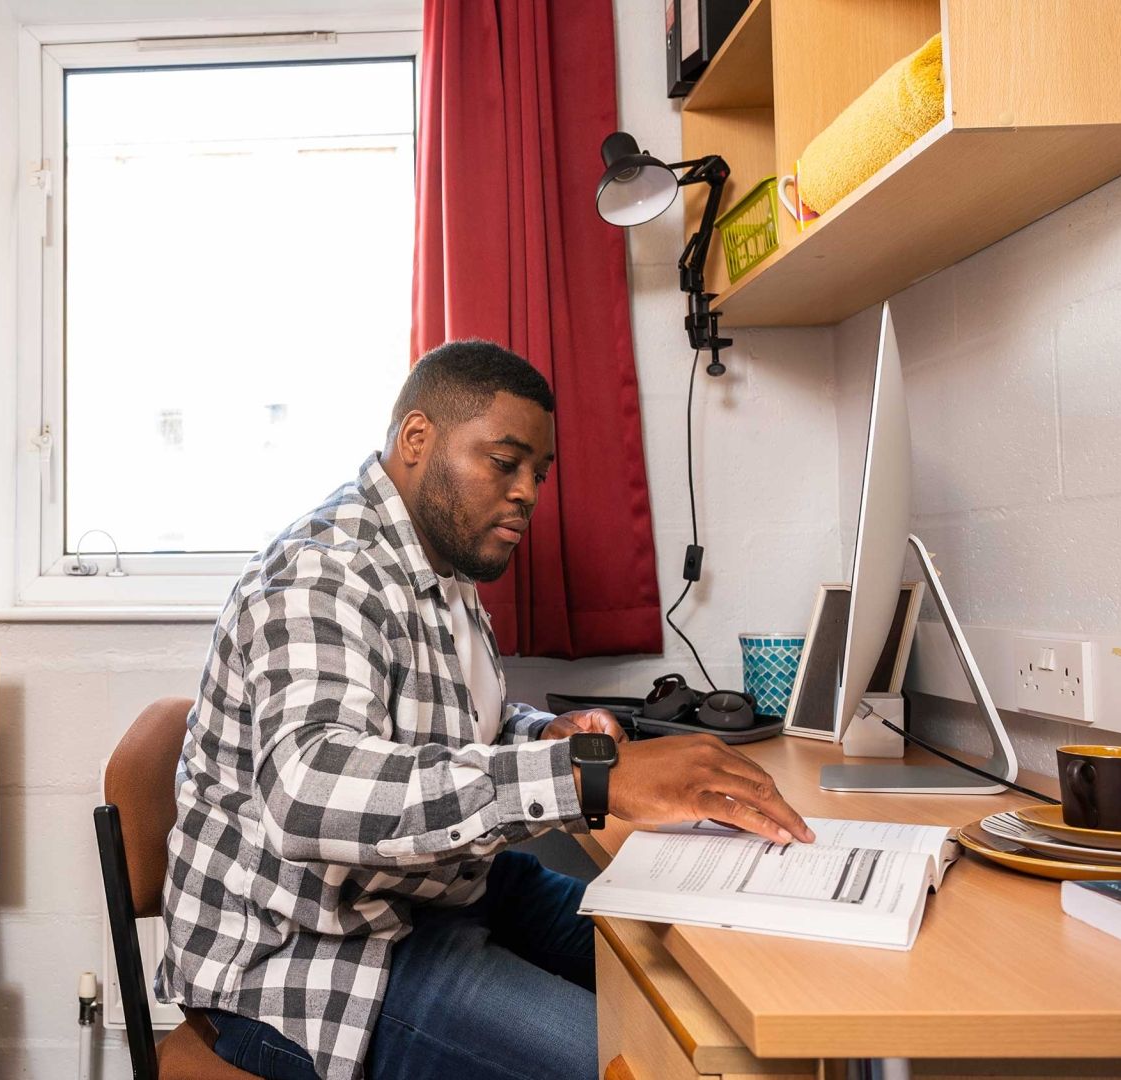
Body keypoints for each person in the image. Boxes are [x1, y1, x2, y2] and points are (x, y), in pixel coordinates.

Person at [157, 339, 814, 1080]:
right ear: (416, 440)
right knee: (661, 1063)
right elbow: (310, 790)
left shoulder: (442, 563)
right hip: (319, 955)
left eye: (539, 472)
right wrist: (587, 778)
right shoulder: (325, 571)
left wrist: (549, 734)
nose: (528, 492)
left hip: (438, 893)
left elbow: (456, 732)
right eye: (504, 463)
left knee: (693, 958)